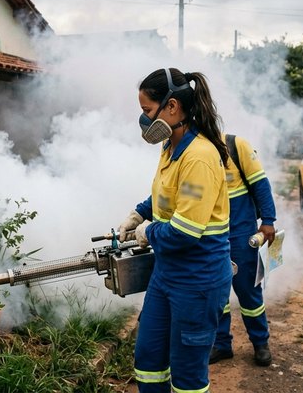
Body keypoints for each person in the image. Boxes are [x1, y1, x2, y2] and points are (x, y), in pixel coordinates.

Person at [117, 67, 232, 393]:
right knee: (149, 359)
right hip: (167, 274)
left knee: (187, 374)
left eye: (146, 112)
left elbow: (183, 233)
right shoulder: (170, 147)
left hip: (198, 280)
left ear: (172, 108)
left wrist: (148, 233)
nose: (144, 121)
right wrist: (139, 214)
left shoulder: (199, 156)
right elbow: (164, 193)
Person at [209, 133, 277, 367]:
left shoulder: (235, 146)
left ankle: (260, 343)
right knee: (217, 295)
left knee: (249, 293)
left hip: (241, 236)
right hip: (210, 237)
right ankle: (221, 344)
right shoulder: (194, 151)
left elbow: (260, 184)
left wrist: (268, 220)